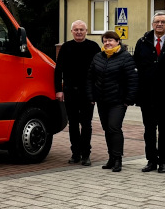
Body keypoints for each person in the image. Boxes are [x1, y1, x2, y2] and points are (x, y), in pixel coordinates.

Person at [133, 12, 165, 174]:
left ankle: (164, 162)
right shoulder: (142, 41)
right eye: (157, 21)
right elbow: (136, 67)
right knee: (149, 129)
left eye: (163, 22)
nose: (159, 24)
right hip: (147, 94)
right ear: (152, 24)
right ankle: (151, 160)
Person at [87, 30, 139, 172]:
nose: (107, 43)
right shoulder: (98, 57)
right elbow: (90, 78)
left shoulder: (125, 57)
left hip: (118, 101)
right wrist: (91, 96)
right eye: (105, 41)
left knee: (114, 127)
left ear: (117, 42)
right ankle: (111, 157)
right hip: (102, 100)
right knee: (107, 129)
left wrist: (128, 99)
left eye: (110, 40)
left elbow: (133, 80)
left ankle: (118, 159)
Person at [55, 20, 102, 166]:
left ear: (86, 31)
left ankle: (86, 154)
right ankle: (75, 153)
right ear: (72, 32)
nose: (79, 32)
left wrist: (95, 93)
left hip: (87, 93)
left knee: (86, 124)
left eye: (81, 29)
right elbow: (58, 70)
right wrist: (58, 90)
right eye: (76, 30)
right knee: (73, 124)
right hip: (70, 91)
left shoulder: (93, 47)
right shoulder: (66, 47)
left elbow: (99, 71)